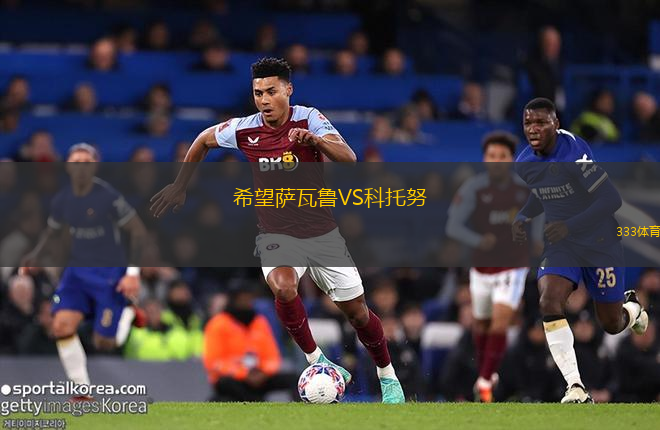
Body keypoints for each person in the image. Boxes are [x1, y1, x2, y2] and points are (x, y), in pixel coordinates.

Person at [150, 57, 405, 403]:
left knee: (357, 313)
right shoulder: (245, 129)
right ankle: (317, 360)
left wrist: (316, 141)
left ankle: (387, 375)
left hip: (322, 234)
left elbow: (348, 158)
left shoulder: (309, 118)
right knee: (284, 288)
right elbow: (202, 140)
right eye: (258, 93)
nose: (264, 100)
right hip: (276, 234)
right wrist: (180, 185)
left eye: (271, 91)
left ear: (288, 90)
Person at [512, 97, 649, 403]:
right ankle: (575, 387)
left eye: (541, 122)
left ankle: (632, 309)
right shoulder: (524, 163)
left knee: (611, 324)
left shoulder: (574, 152)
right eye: (528, 123)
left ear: (556, 124)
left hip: (600, 241)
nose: (533, 129)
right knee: (549, 300)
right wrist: (524, 215)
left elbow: (610, 199)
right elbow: (542, 192)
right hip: (562, 244)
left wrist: (569, 225)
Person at [21, 143, 147, 397]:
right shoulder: (62, 200)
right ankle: (82, 391)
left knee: (105, 342)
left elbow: (138, 231)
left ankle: (127, 313)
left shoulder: (108, 196)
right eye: (75, 162)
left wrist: (133, 274)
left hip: (109, 275)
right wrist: (35, 255)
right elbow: (52, 231)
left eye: (86, 163)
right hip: (76, 274)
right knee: (61, 326)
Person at [446, 131, 531, 402]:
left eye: (502, 156)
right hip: (481, 267)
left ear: (511, 159)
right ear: (485, 158)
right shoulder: (474, 188)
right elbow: (453, 225)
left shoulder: (524, 189)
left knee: (499, 321)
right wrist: (478, 240)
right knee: (481, 326)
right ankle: (487, 375)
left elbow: (542, 217)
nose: (497, 160)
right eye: (492, 155)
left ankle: (484, 381)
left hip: (513, 265)